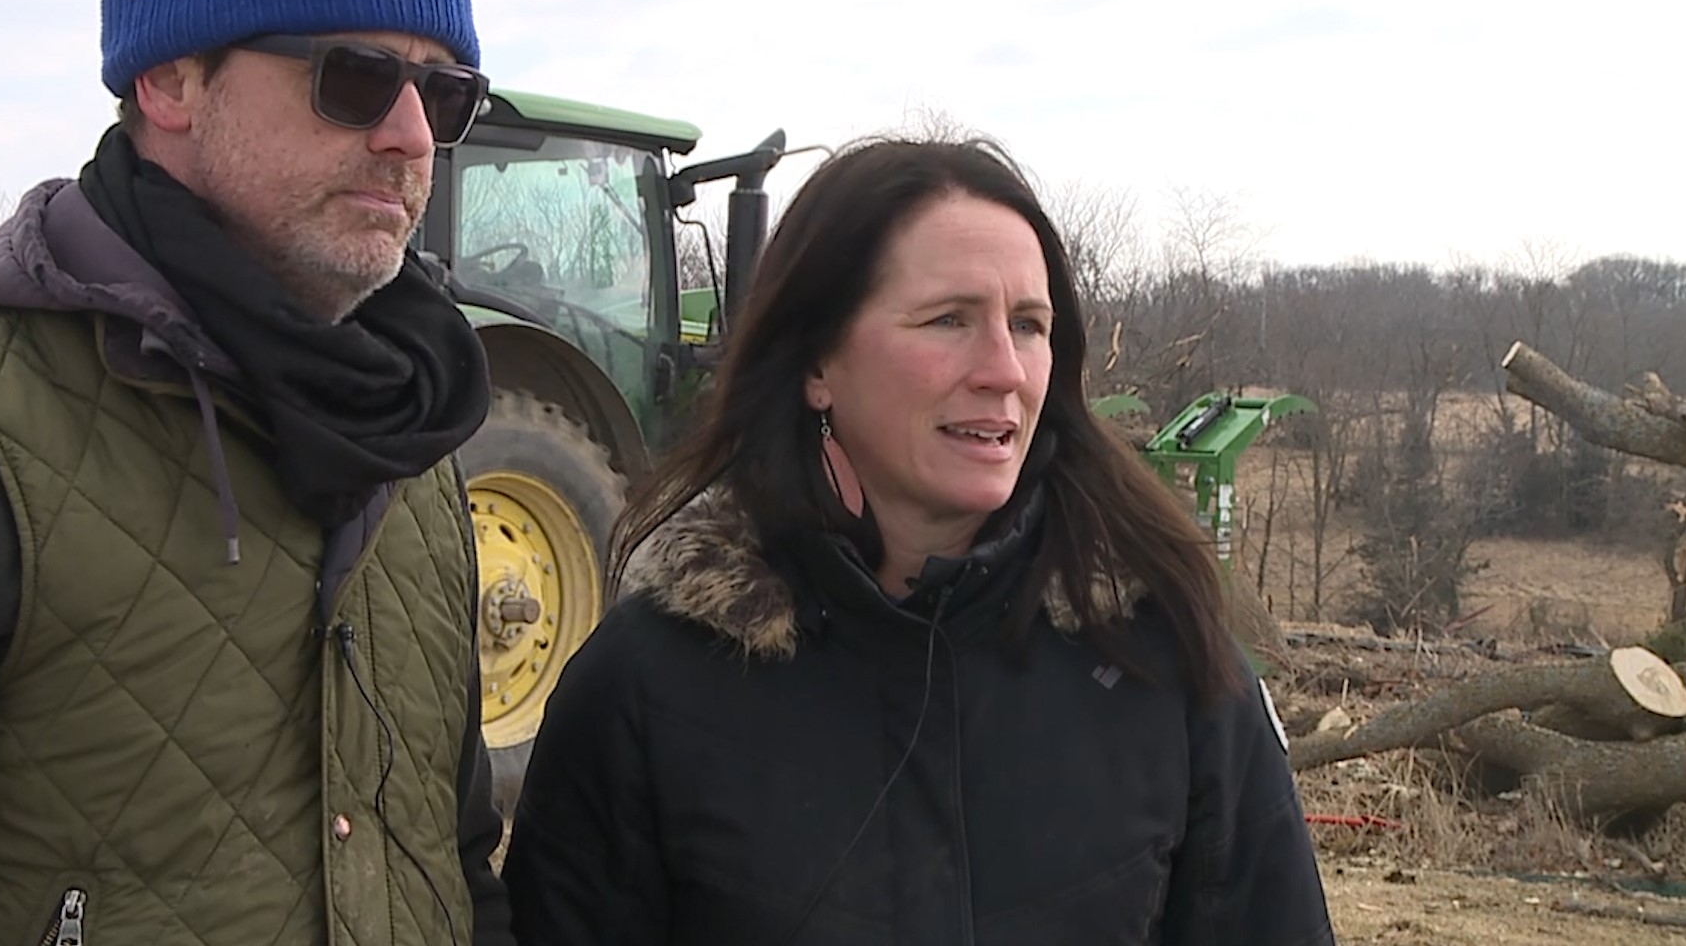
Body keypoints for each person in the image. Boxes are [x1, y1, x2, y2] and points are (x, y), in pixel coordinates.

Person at [0, 0, 513, 944]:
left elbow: (458, 870)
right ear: (171, 81)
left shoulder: (417, 451)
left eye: (446, 92)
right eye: (356, 78)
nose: (413, 136)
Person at [501, 136, 1336, 945]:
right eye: (948, 320)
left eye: (1031, 325)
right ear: (818, 363)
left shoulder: (1165, 660)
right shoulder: (647, 685)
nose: (1004, 369)